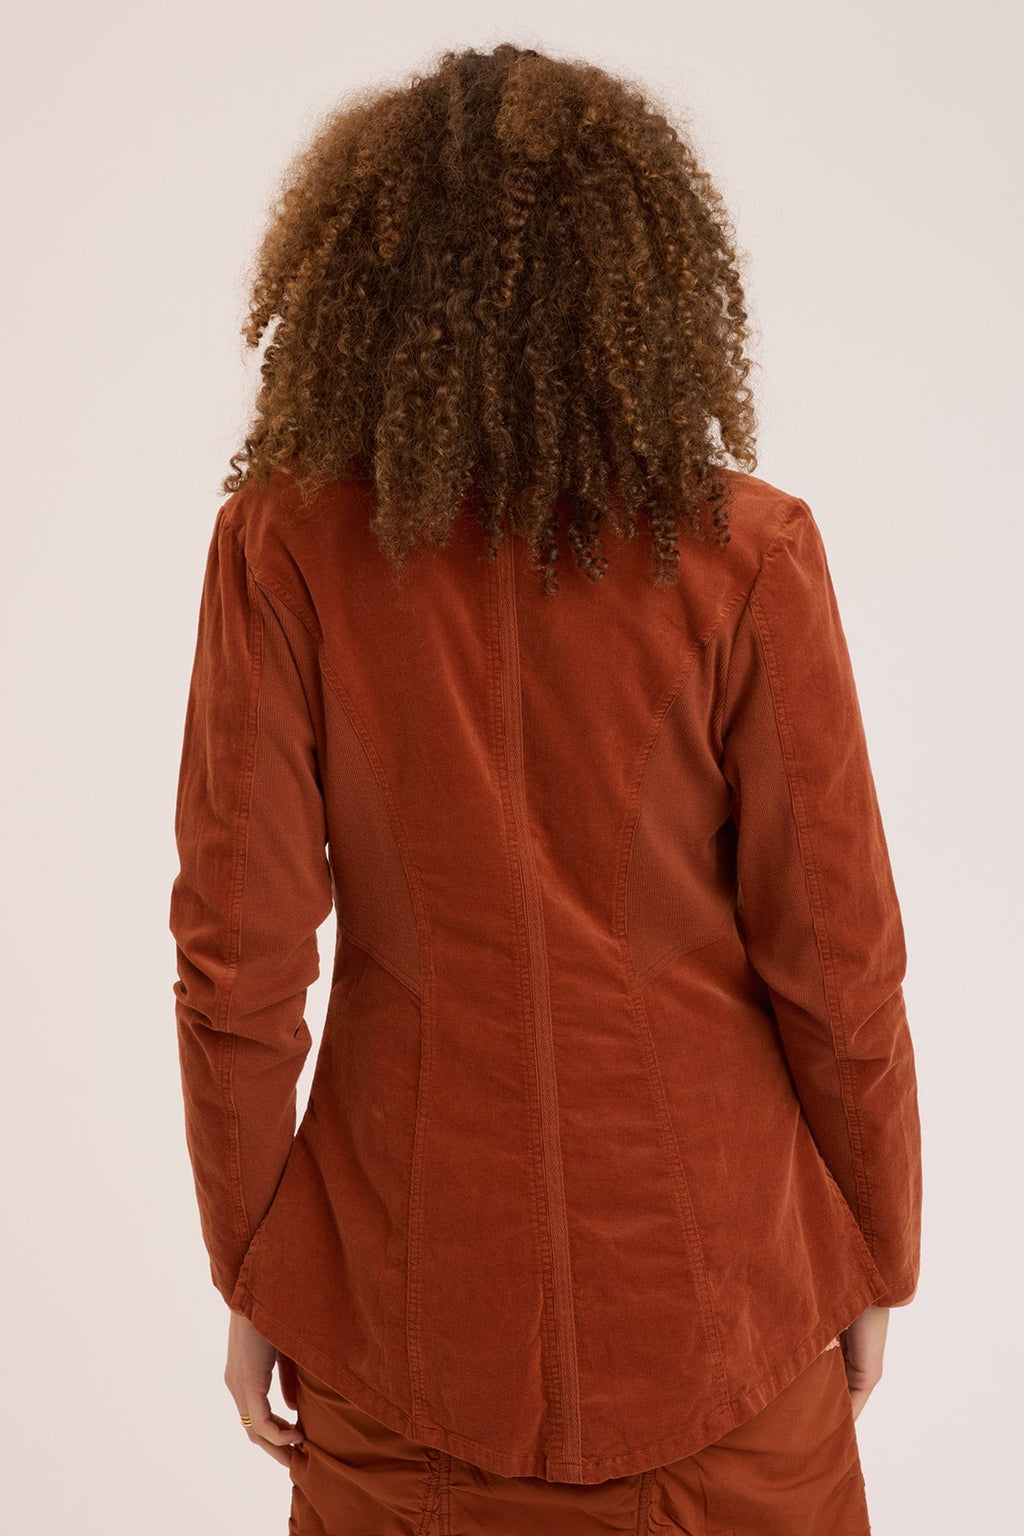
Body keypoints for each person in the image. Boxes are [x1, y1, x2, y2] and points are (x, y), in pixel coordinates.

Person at [168, 41, 922, 1535]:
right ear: (648, 288)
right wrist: (877, 1250)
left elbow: (237, 966)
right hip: (728, 1334)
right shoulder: (748, 553)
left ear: (369, 289)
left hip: (399, 1340)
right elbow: (840, 965)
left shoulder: (284, 547)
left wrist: (256, 1267)